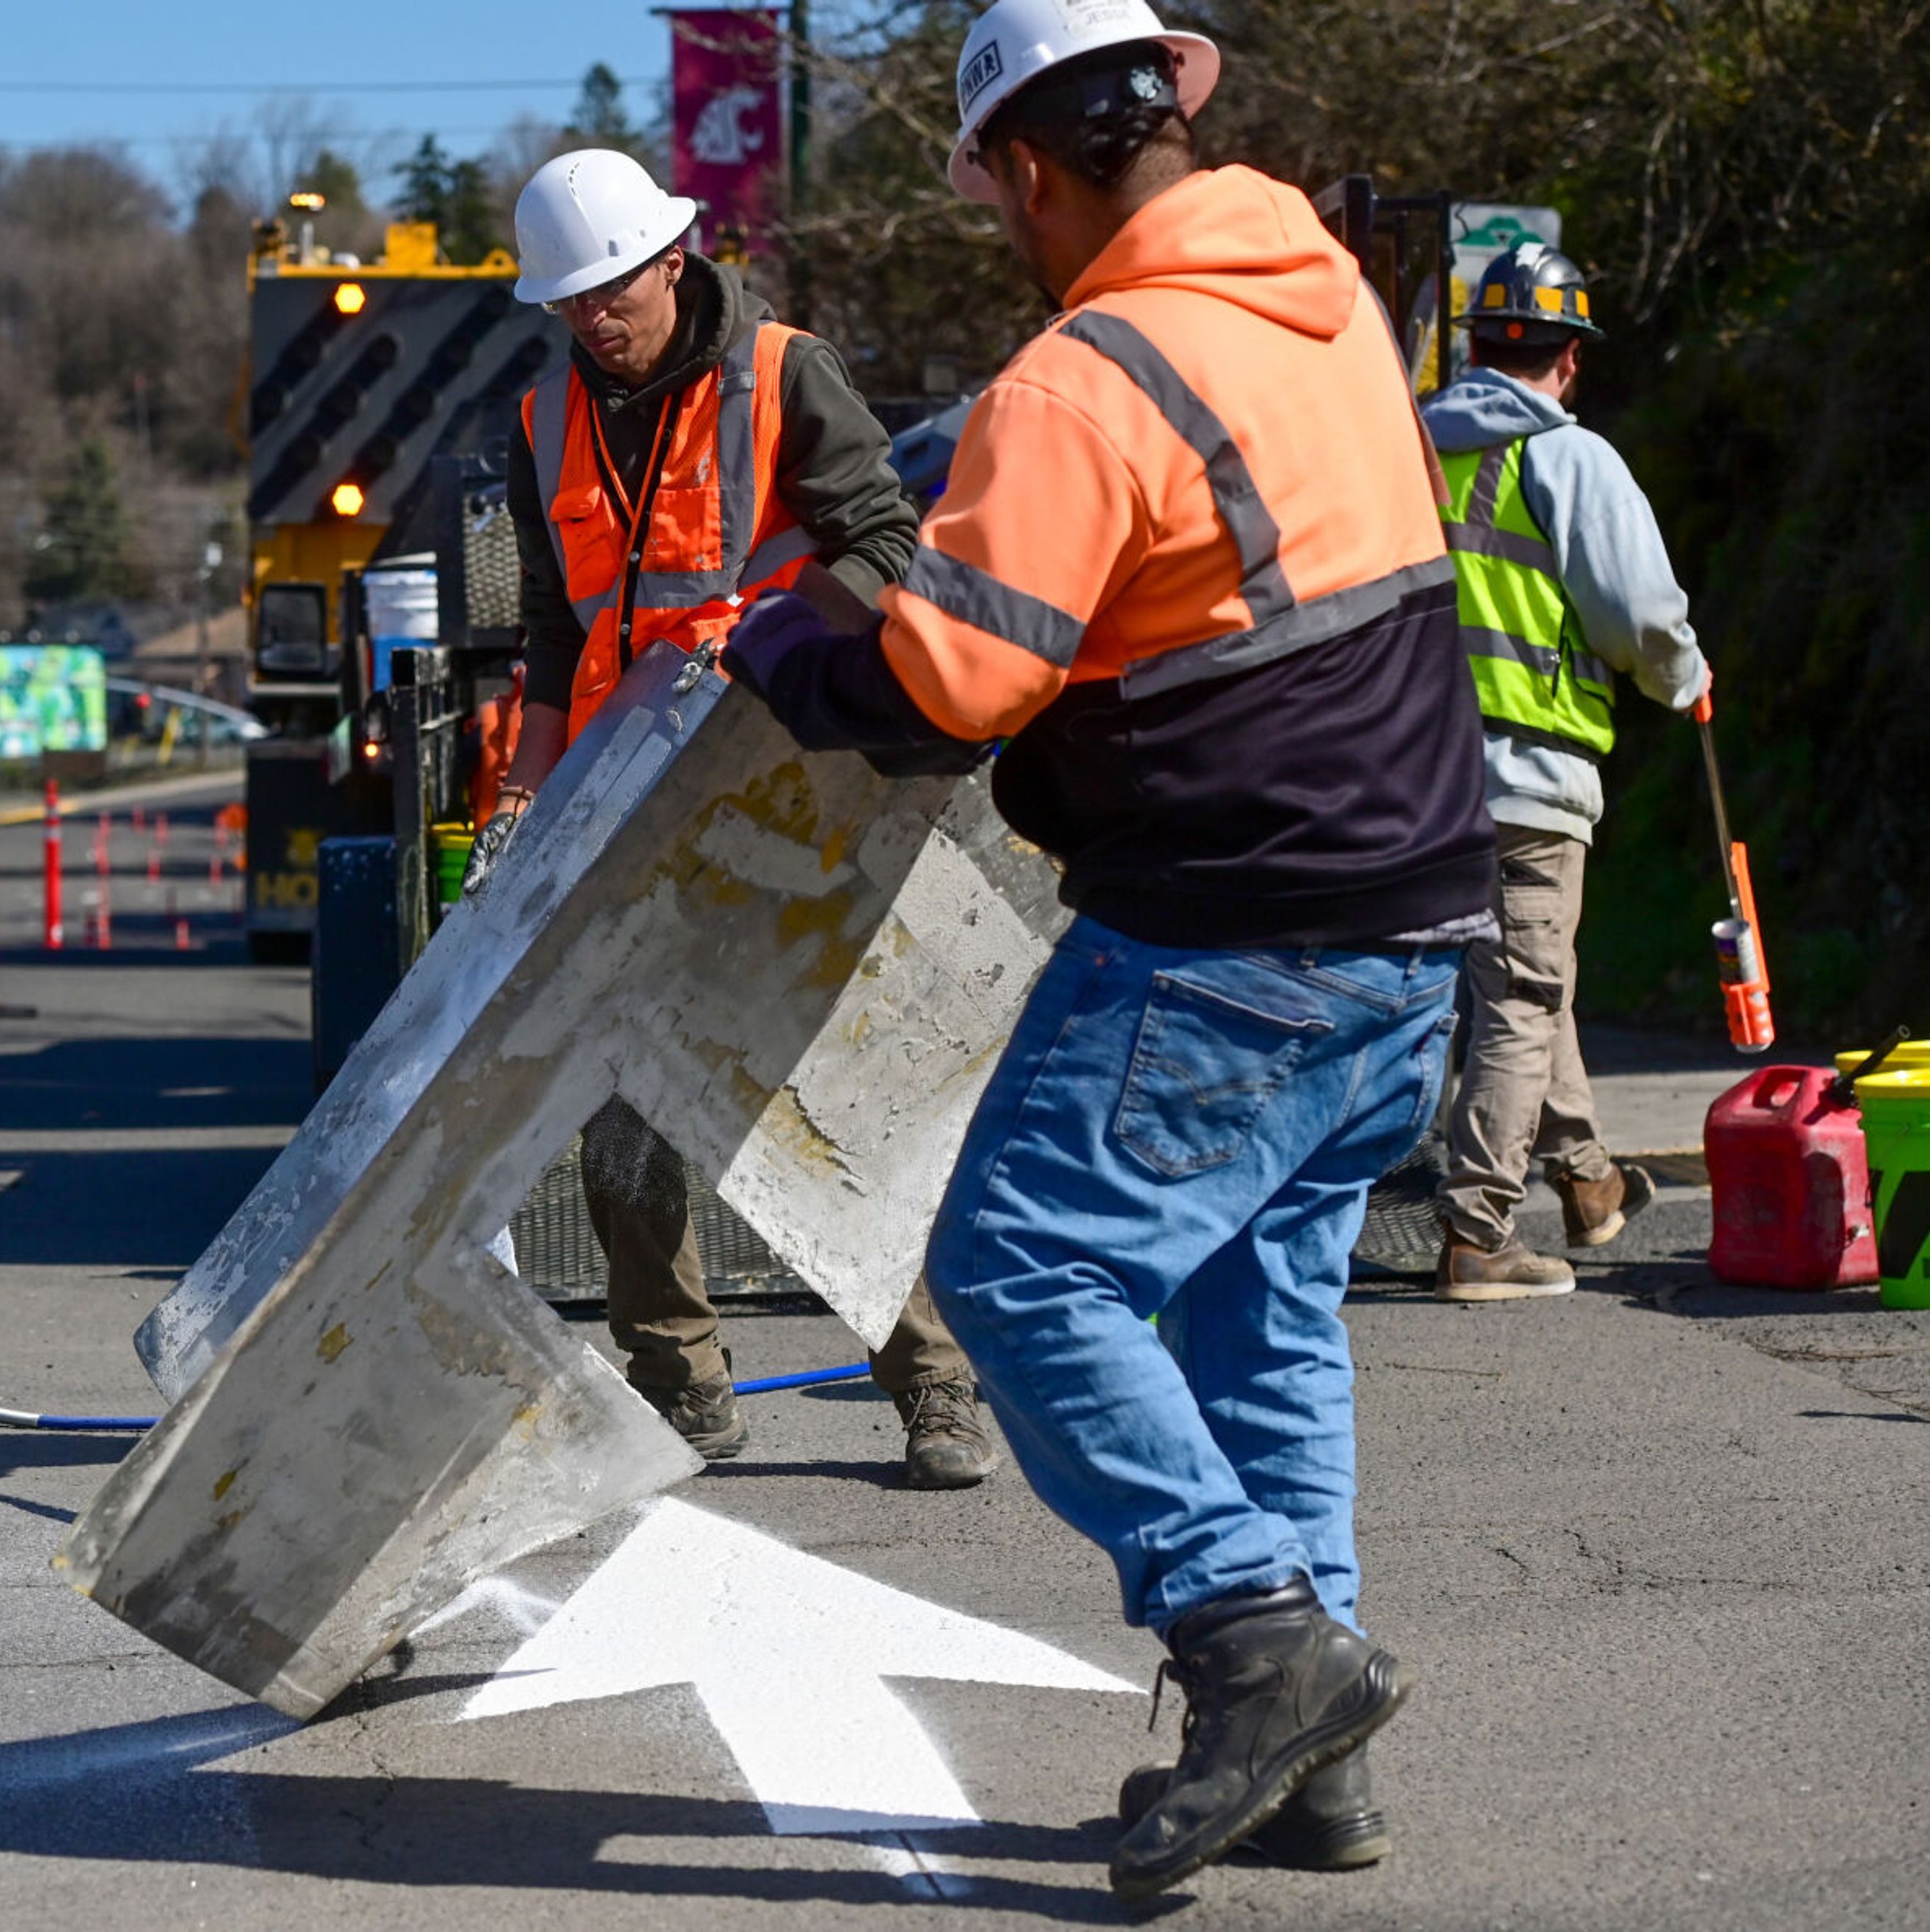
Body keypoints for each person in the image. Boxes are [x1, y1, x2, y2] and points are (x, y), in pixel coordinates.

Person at [717, 0, 1497, 1897]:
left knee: (1021, 1265)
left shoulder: (1082, 381)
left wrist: (777, 648)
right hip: (1415, 915)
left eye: (998, 192)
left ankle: (1254, 1639)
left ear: (1033, 170)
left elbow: (954, 682)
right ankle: (1313, 1771)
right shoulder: (1323, 293)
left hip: (1241, 924)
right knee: (1266, 1316)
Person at [477, 145, 999, 1490]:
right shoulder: (545, 427)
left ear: (673, 258)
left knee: (842, 1114)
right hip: (626, 807)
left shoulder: (780, 373)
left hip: (788, 785)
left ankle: (937, 1386)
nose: (596, 316)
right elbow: (555, 627)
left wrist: (770, 642)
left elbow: (885, 542)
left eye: (614, 286)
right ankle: (684, 1387)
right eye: (571, 300)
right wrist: (526, 785)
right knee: (627, 1130)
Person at [1427, 243, 1709, 1301]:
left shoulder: (1411, 454)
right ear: (1572, 359)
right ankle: (1479, 1230)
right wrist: (1684, 681)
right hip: (1527, 775)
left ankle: (1588, 1183)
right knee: (1520, 996)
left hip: (1406, 775)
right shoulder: (1570, 458)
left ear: (1480, 347)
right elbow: (1639, 616)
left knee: (1523, 986)